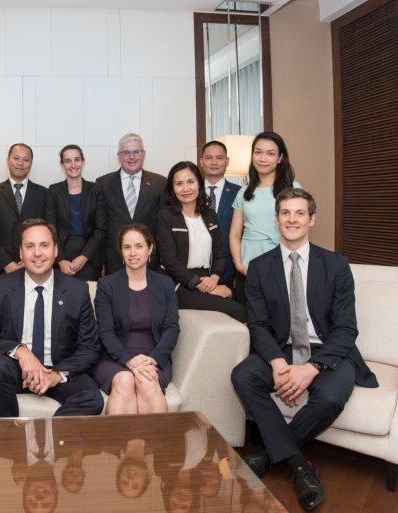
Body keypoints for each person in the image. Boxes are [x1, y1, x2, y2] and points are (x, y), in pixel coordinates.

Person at [231, 189, 377, 511]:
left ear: (311, 219)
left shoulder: (336, 265)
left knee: (329, 397)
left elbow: (346, 329)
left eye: (299, 213)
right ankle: (299, 465)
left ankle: (269, 456)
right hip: (282, 349)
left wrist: (311, 368)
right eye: (285, 213)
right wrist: (277, 361)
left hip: (329, 353)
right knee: (243, 375)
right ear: (277, 219)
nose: (292, 219)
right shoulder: (259, 267)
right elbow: (257, 325)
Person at [0, 218, 103, 418]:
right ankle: (10, 441)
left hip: (56, 369)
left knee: (91, 398)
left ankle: (46, 441)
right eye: (30, 246)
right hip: (15, 370)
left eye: (44, 245)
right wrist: (21, 352)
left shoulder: (77, 290)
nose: (38, 253)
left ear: (56, 250)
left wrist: (56, 375)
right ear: (20, 252)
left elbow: (90, 347)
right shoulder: (0, 287)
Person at [93, 224, 179, 415]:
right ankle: (119, 446)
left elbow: (172, 327)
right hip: (115, 357)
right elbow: (105, 332)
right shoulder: (107, 285)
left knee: (147, 382)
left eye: (139, 246)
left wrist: (154, 359)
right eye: (127, 247)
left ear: (150, 248)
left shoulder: (165, 284)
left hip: (154, 357)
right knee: (125, 380)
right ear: (121, 252)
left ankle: (155, 446)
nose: (133, 253)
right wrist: (129, 361)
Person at [155, 162, 245, 322]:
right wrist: (201, 285)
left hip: (208, 278)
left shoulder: (209, 214)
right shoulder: (165, 217)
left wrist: (215, 279)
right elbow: (170, 262)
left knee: (234, 300)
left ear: (199, 183)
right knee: (238, 311)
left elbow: (219, 254)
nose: (185, 188)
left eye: (190, 182)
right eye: (179, 184)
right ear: (172, 189)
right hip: (177, 282)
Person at [230, 131, 300, 303]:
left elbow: (300, 231)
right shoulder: (244, 191)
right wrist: (239, 264)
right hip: (248, 266)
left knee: (279, 320)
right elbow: (235, 234)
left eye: (270, 154)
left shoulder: (293, 188)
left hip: (281, 265)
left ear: (280, 158)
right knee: (248, 321)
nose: (262, 158)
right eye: (258, 152)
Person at [95, 133, 166, 274]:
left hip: (149, 260)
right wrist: (100, 261)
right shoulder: (103, 183)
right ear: (119, 156)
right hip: (114, 258)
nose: (132, 157)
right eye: (126, 152)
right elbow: (100, 225)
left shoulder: (160, 183)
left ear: (143, 154)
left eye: (136, 152)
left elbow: (163, 226)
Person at [44, 144, 105, 282]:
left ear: (83, 162)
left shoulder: (96, 190)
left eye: (77, 159)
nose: (73, 165)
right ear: (62, 164)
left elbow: (100, 229)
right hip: (61, 253)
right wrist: (60, 260)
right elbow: (50, 229)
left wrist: (84, 257)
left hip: (90, 255)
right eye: (68, 161)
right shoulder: (53, 191)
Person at [0, 143, 47, 275]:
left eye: (26, 160)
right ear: (8, 160)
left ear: (31, 163)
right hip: (3, 268)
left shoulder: (44, 193)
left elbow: (48, 231)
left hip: (36, 265)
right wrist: (5, 262)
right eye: (16, 158)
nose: (20, 163)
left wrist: (29, 260)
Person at [199, 140, 241, 288]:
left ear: (227, 161)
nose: (214, 162)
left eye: (219, 157)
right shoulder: (191, 192)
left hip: (230, 270)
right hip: (197, 271)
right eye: (209, 157)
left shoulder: (240, 193)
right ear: (201, 161)